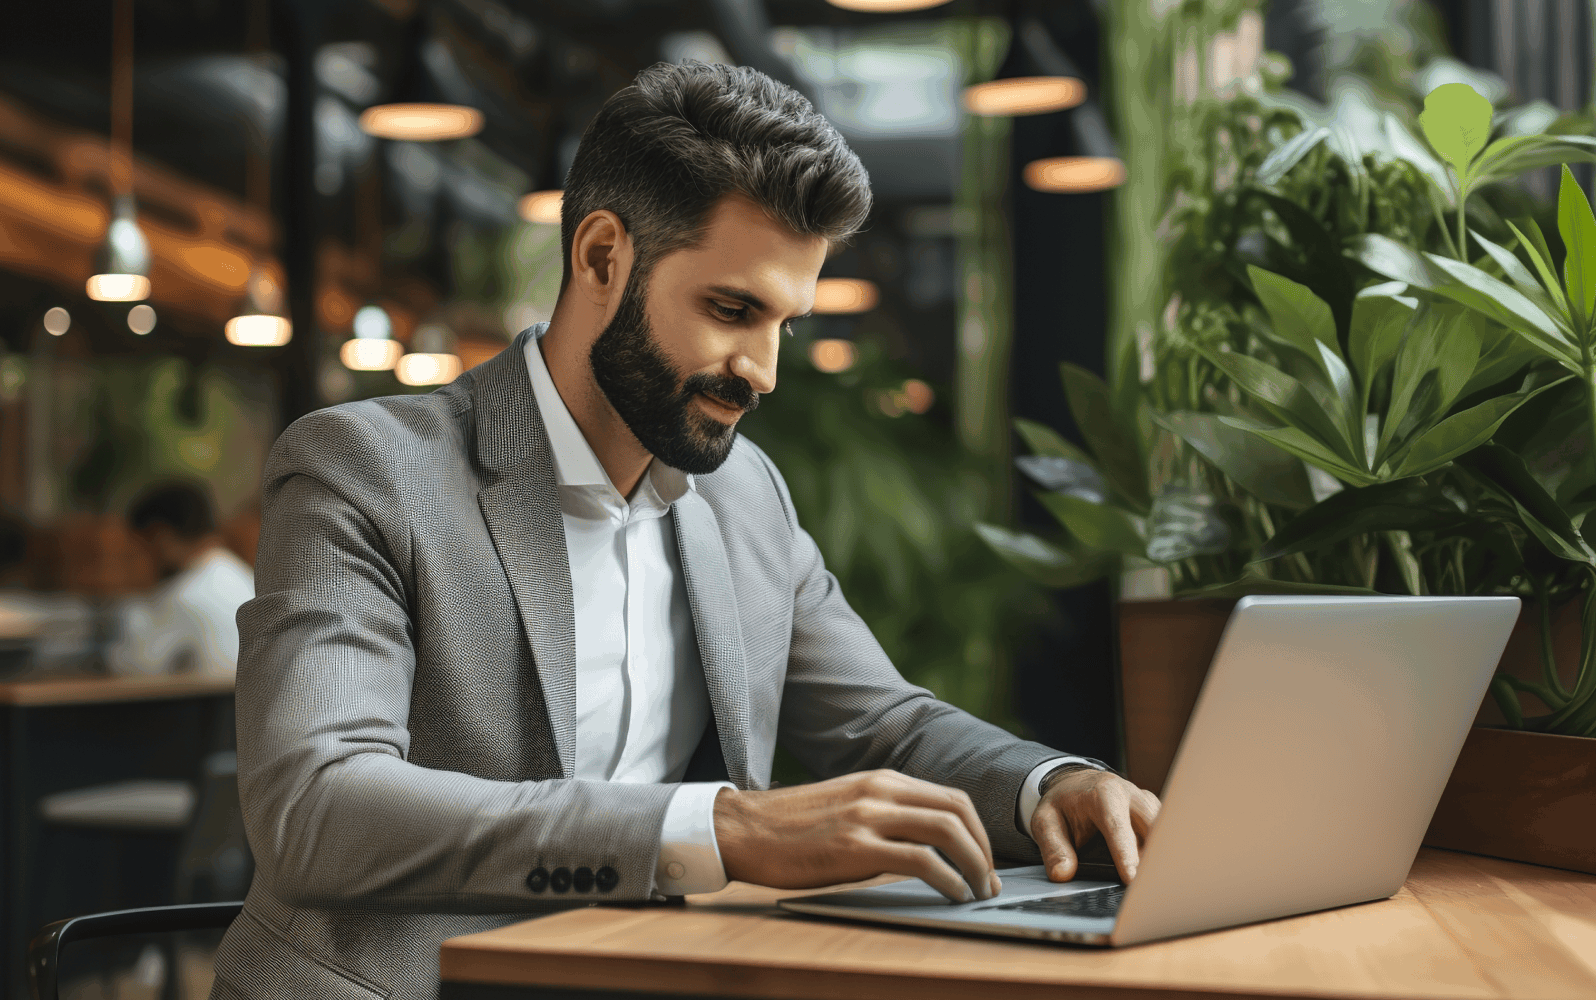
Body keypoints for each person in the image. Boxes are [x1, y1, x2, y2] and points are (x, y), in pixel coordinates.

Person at [212, 62, 1161, 1000]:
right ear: (600, 259)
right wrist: (723, 832)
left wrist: (1051, 785)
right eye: (731, 309)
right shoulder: (367, 468)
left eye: (784, 323)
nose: (763, 371)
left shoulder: (745, 495)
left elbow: (884, 724)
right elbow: (316, 806)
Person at [106, 481, 254, 678]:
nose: (130, 561)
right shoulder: (243, 577)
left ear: (159, 537)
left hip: (213, 706)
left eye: (134, 551)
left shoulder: (187, 597)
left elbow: (137, 666)